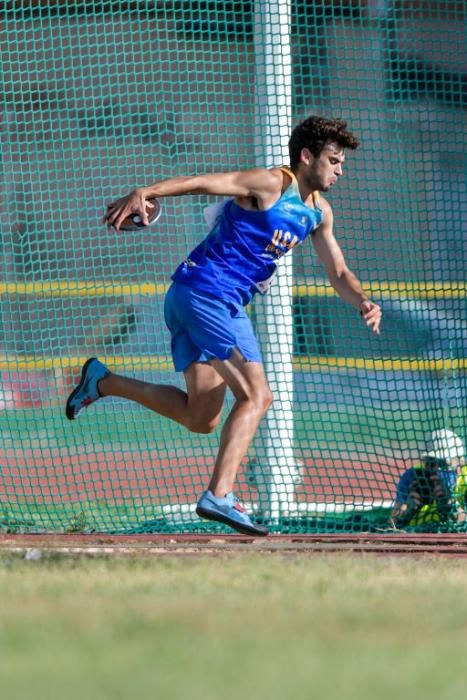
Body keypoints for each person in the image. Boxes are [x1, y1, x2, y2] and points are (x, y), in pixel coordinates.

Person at [66, 115, 382, 536]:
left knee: (202, 418)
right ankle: (220, 495)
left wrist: (361, 300)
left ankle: (102, 382)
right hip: (205, 294)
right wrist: (149, 191)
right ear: (307, 157)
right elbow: (203, 181)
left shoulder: (319, 213)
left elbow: (339, 271)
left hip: (210, 302)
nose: (340, 169)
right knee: (256, 395)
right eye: (333, 160)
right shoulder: (272, 183)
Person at [391, 429, 465, 528]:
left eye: (443, 464)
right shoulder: (412, 476)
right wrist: (408, 510)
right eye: (430, 462)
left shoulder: (465, 480)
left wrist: (449, 504)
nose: (435, 470)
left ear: (461, 462)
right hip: (416, 536)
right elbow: (391, 525)